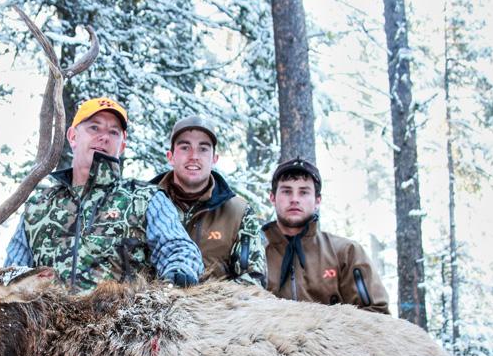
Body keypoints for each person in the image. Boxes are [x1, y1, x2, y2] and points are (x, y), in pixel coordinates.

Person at [5, 97, 204, 292]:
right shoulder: (39, 206)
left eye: (114, 132)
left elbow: (178, 248)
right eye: (94, 128)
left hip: (121, 322)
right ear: (73, 136)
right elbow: (13, 274)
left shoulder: (145, 199)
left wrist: (180, 272)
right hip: (48, 323)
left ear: (122, 145)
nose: (104, 137)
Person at [262, 157, 390, 313]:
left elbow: (377, 314)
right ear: (273, 198)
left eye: (303, 192)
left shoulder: (346, 253)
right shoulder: (252, 253)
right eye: (287, 191)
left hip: (334, 337)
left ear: (317, 200)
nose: (294, 199)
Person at [150, 115, 266, 286]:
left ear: (214, 159)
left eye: (203, 149)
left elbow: (254, 278)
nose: (194, 156)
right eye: (185, 147)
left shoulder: (239, 213)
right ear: (170, 156)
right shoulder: (142, 203)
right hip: (152, 309)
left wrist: (207, 303)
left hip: (217, 310)